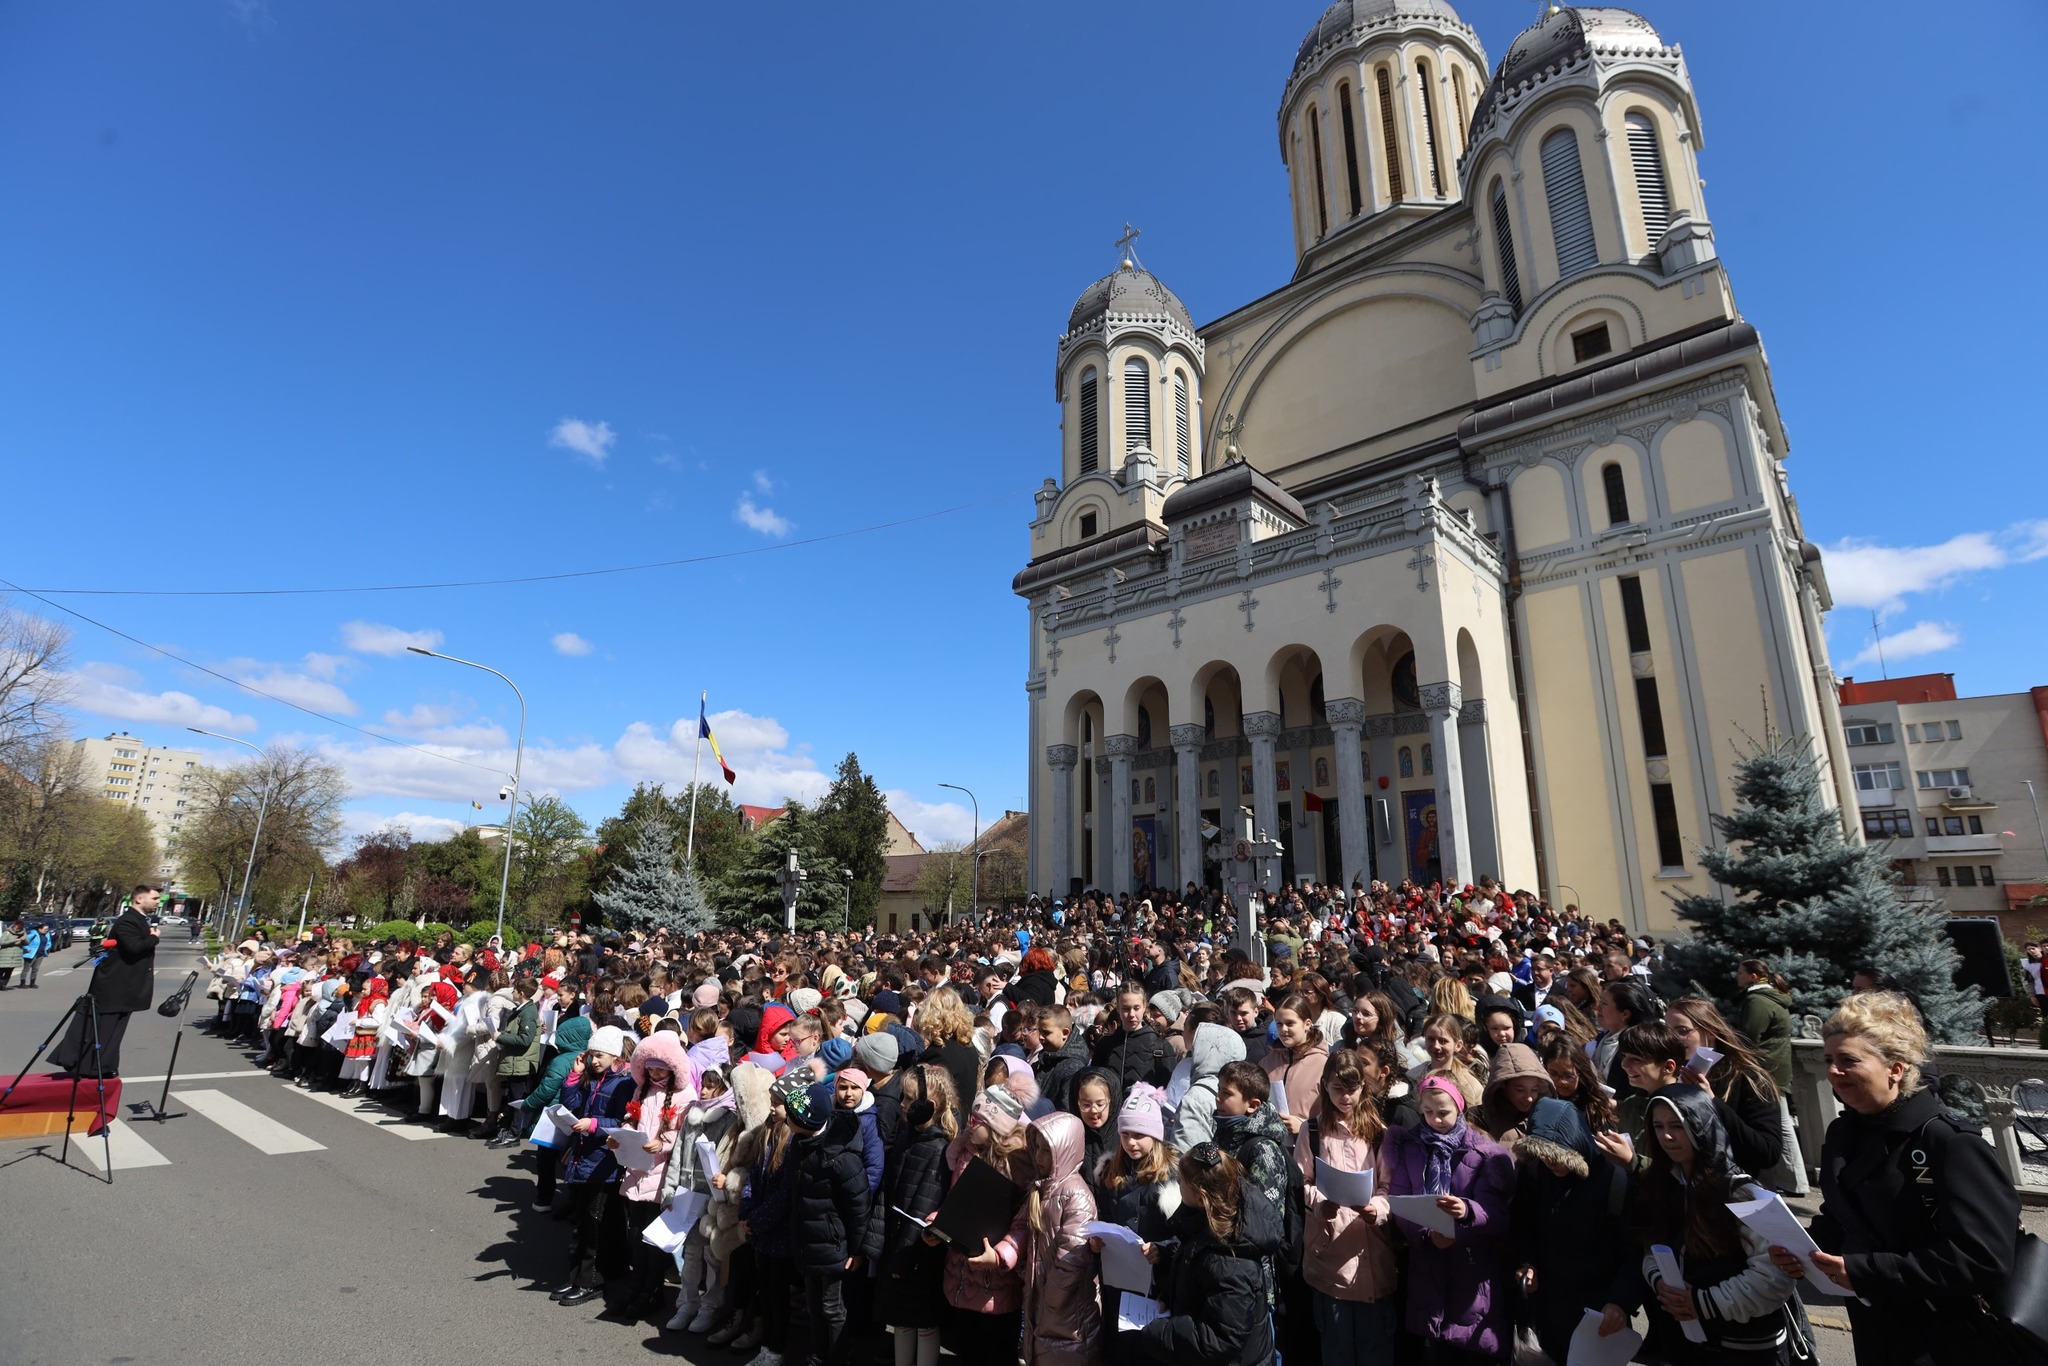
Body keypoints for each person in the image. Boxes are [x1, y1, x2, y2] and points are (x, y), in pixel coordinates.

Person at [1772, 992, 2023, 1365]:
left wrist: (1864, 1270)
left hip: (1955, 1338)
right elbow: (1847, 1218)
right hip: (1880, 1329)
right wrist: (1806, 1252)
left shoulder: (1947, 1142)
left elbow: (1983, 1257)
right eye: (1829, 1060)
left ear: (1896, 1068)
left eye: (1848, 1061)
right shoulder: (1844, 1134)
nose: (1833, 1072)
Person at [1604, 1086, 1798, 1364]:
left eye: (1678, 1126)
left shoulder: (1741, 1192)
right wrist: (1661, 1282)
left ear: (1702, 1125)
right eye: (1658, 1126)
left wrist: (1702, 1302)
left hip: (1744, 1347)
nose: (1667, 1136)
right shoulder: (1661, 1185)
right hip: (1687, 1343)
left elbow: (1773, 1278)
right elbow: (1651, 1249)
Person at [1383, 1077, 1515, 1364]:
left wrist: (1467, 1211)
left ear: (1459, 1107)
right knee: (1437, 1344)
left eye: (1443, 1112)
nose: (1436, 1119)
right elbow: (1402, 1201)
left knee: (1471, 1342)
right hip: (1428, 1261)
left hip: (1470, 1263)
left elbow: (1496, 1213)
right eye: (1428, 1112)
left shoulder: (1481, 1151)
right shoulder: (1411, 1147)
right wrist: (1427, 1235)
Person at [1127, 1144, 1281, 1366]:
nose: (1176, 1183)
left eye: (1181, 1181)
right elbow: (1198, 1265)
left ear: (1201, 1198)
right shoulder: (1209, 1223)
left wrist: (1161, 1331)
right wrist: (1168, 1257)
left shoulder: (1229, 1258)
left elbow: (1219, 1338)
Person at [51, 885, 161, 1078]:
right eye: (154, 898)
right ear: (139, 899)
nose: (157, 902)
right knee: (106, 1028)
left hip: (124, 986)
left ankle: (103, 1065)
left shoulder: (138, 920)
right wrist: (153, 938)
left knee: (113, 1029)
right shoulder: (127, 921)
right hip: (116, 986)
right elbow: (134, 948)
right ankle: (93, 1067)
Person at [1021, 1111, 1103, 1366]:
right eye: (1036, 1149)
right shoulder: (1043, 1189)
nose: (1038, 1157)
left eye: (1046, 1151)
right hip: (1045, 1310)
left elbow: (1071, 1260)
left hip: (1068, 1317)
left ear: (1064, 1150)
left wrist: (1048, 1303)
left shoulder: (1076, 1195)